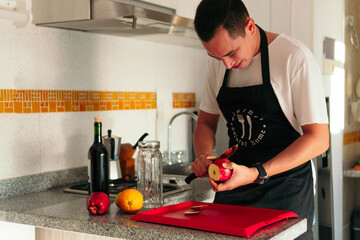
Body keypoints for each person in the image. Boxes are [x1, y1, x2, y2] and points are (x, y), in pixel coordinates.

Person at [191, 0, 329, 239]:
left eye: (231, 53)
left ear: (250, 26)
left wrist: (257, 173)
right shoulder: (220, 64)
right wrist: (205, 155)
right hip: (233, 189)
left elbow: (319, 139)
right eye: (216, 57)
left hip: (286, 190)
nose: (227, 64)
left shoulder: (294, 58)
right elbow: (205, 122)